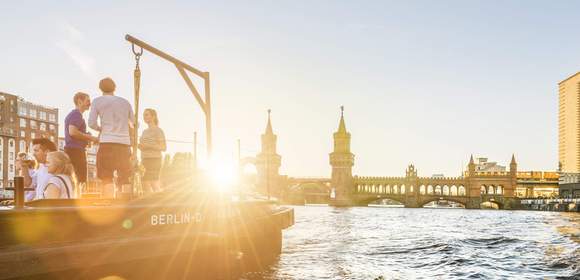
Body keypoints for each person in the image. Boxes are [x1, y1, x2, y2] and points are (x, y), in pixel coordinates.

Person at [88, 77, 134, 198]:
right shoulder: (125, 102)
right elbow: (134, 124)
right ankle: (126, 202)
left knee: (106, 176)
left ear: (100, 88)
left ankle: (109, 204)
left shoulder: (97, 101)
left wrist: (100, 128)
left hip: (107, 142)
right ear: (114, 87)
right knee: (125, 176)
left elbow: (91, 123)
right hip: (124, 144)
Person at [64, 92, 98, 192]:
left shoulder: (74, 115)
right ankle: (79, 201)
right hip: (76, 151)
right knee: (80, 179)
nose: (90, 103)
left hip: (73, 150)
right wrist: (91, 138)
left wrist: (86, 137)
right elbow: (73, 132)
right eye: (87, 101)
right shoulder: (76, 114)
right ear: (79, 101)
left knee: (75, 178)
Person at [138, 108, 166, 193]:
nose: (144, 116)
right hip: (144, 159)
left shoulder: (158, 130)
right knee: (144, 183)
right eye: (143, 115)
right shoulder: (144, 132)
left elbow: (163, 147)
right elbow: (143, 146)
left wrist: (149, 146)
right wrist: (140, 146)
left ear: (153, 116)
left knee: (154, 182)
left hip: (154, 159)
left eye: (147, 114)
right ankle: (150, 204)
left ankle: (160, 203)